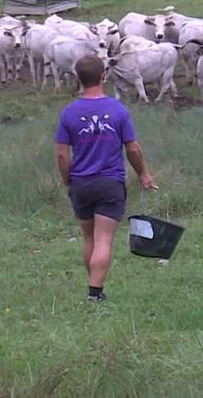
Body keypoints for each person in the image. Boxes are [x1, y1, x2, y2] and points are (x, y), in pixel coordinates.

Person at [55, 54, 155, 302]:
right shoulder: (117, 110)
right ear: (104, 76)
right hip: (110, 183)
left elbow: (61, 155)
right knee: (103, 239)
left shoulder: (69, 112)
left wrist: (69, 180)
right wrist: (142, 173)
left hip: (81, 183)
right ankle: (95, 293)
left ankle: (95, 287)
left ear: (78, 78)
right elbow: (132, 148)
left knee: (89, 238)